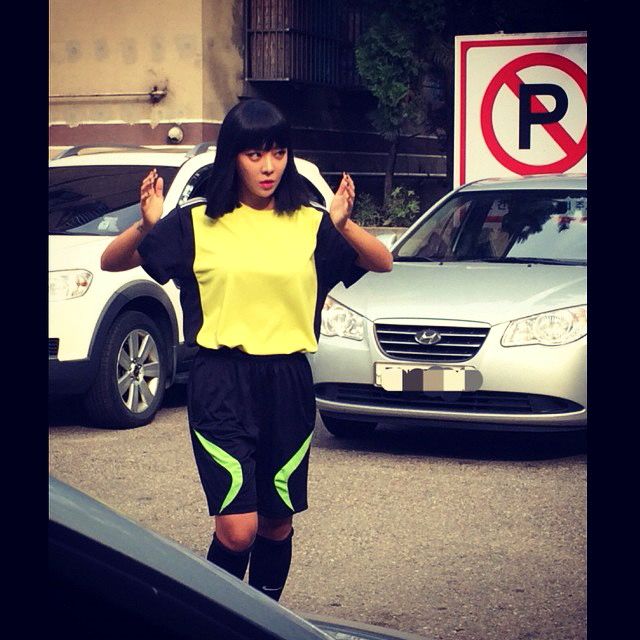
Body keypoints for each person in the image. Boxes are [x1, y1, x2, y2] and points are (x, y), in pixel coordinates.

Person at [101, 98, 392, 601]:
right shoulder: (197, 221)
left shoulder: (309, 221)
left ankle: (262, 621)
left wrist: (343, 225)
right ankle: (211, 620)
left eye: (278, 153)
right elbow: (112, 261)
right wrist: (146, 225)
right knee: (238, 530)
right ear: (232, 156)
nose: (268, 166)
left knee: (277, 524)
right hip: (220, 382)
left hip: (288, 383)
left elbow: (382, 260)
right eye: (255, 154)